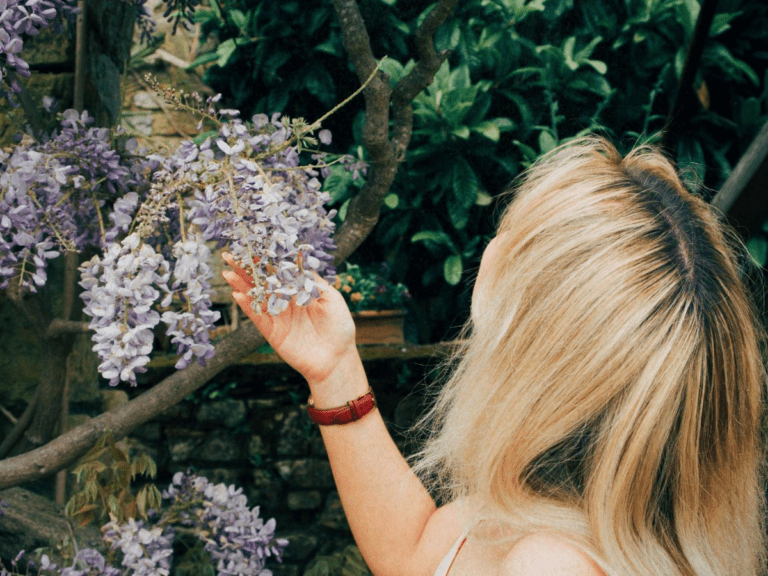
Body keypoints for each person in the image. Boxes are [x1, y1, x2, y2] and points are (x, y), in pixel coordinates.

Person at [222, 137, 767, 576]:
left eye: (514, 232)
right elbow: (414, 553)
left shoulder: (550, 566)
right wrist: (335, 366)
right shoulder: (553, 506)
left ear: (533, 324)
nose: (493, 241)